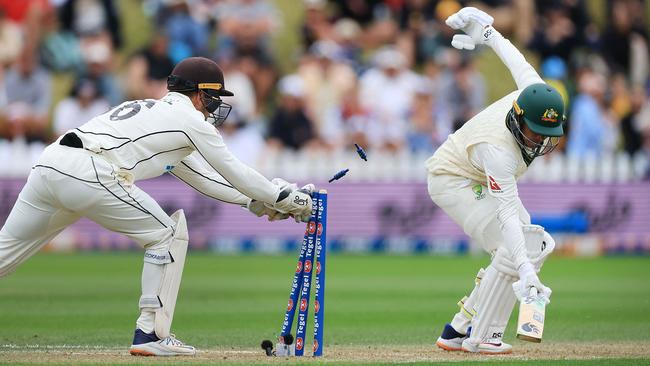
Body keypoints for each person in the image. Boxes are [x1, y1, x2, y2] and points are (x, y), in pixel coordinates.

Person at [0, 57, 314, 356]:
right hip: (91, 170)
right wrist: (285, 198)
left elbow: (206, 180)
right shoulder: (190, 121)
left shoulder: (153, 111)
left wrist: (255, 202)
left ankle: (151, 332)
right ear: (198, 93)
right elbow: (235, 170)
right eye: (214, 96)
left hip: (50, 163)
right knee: (166, 234)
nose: (216, 105)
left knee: (5, 253)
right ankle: (150, 334)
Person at [426, 8, 565, 354]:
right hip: (452, 179)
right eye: (534, 131)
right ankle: (482, 335)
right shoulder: (498, 151)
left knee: (534, 241)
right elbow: (505, 215)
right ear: (519, 119)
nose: (539, 140)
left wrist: (485, 33)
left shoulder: (535, 91)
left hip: (474, 176)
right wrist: (525, 272)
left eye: (547, 133)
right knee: (515, 248)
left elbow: (513, 57)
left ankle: (458, 329)